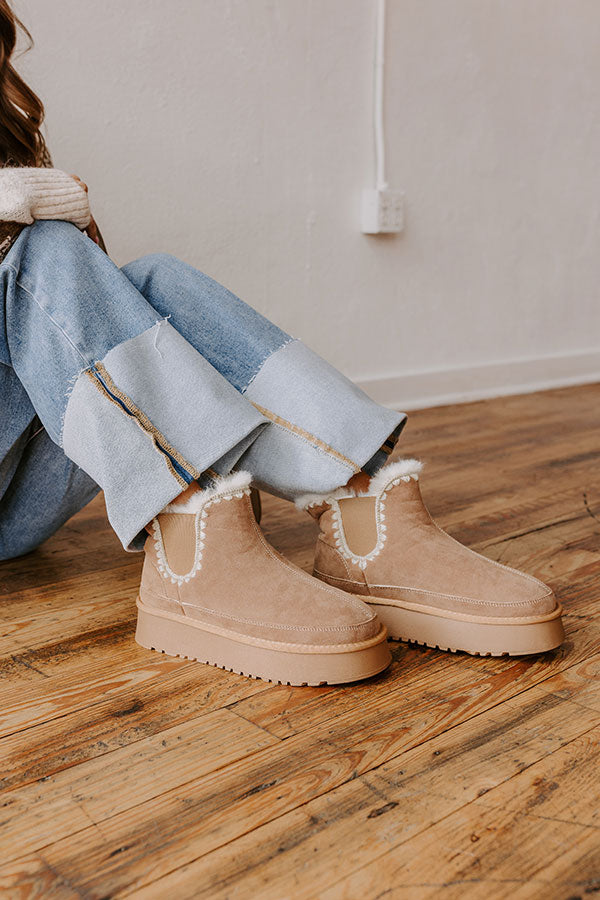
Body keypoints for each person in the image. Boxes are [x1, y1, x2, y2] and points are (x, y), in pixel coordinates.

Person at [0, 1, 564, 686]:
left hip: (19, 493)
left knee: (153, 278)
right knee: (46, 254)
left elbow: (82, 312)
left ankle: (365, 511)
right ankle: (190, 545)